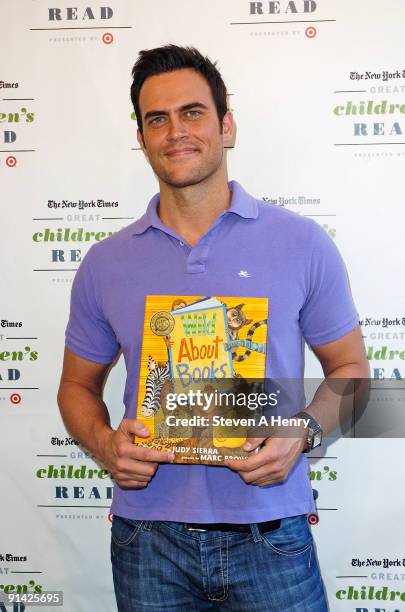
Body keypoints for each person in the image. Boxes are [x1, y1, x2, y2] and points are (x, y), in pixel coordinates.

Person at [58, 45, 369, 611]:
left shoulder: (302, 244)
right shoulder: (105, 263)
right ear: (142, 136)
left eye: (193, 112)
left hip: (272, 535)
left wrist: (300, 435)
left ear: (226, 126)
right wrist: (105, 445)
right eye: (158, 118)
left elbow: (353, 374)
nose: (176, 131)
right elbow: (76, 386)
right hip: (146, 539)